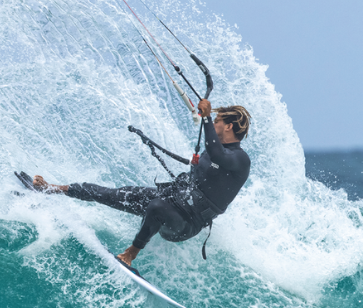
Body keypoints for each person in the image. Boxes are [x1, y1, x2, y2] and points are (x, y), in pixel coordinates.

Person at [32, 99, 250, 267]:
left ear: (229, 127)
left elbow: (218, 154)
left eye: (217, 121)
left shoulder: (240, 160)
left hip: (186, 224)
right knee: (118, 194)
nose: (213, 123)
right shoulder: (213, 151)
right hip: (174, 201)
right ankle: (52, 188)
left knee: (156, 207)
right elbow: (211, 158)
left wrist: (206, 118)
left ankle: (130, 254)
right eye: (213, 120)